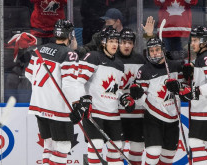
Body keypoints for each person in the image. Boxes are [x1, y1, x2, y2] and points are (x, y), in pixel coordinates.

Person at [167, 26, 207, 165]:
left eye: (195, 40)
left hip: (206, 107)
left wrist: (194, 91)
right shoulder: (203, 57)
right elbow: (201, 79)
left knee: (196, 143)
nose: (192, 43)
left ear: (204, 41)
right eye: (192, 40)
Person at [25, 19, 80, 165]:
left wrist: (45, 89)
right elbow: (69, 85)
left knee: (49, 144)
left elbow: (29, 74)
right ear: (70, 35)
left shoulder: (40, 50)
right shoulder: (69, 54)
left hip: (38, 104)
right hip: (57, 107)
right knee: (63, 146)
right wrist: (76, 104)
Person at [74, 26, 127, 165]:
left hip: (113, 114)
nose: (115, 44)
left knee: (116, 148)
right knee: (96, 146)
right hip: (94, 112)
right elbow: (79, 82)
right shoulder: (93, 57)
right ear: (103, 42)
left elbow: (116, 89)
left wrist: (123, 97)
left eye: (116, 41)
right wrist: (83, 102)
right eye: (111, 41)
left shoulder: (119, 64)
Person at [130, 37, 185, 165]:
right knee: (153, 153)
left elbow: (185, 90)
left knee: (168, 155)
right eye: (152, 51)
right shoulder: (144, 71)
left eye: (157, 50)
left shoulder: (175, 66)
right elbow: (139, 101)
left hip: (173, 118)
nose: (155, 53)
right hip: (153, 119)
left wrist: (178, 88)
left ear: (163, 50)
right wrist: (138, 96)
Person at [116, 28, 147, 165]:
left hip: (137, 113)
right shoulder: (112, 59)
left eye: (130, 42)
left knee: (137, 147)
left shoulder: (141, 60)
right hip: (117, 113)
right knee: (116, 149)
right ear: (118, 43)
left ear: (134, 44)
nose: (127, 45)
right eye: (124, 42)